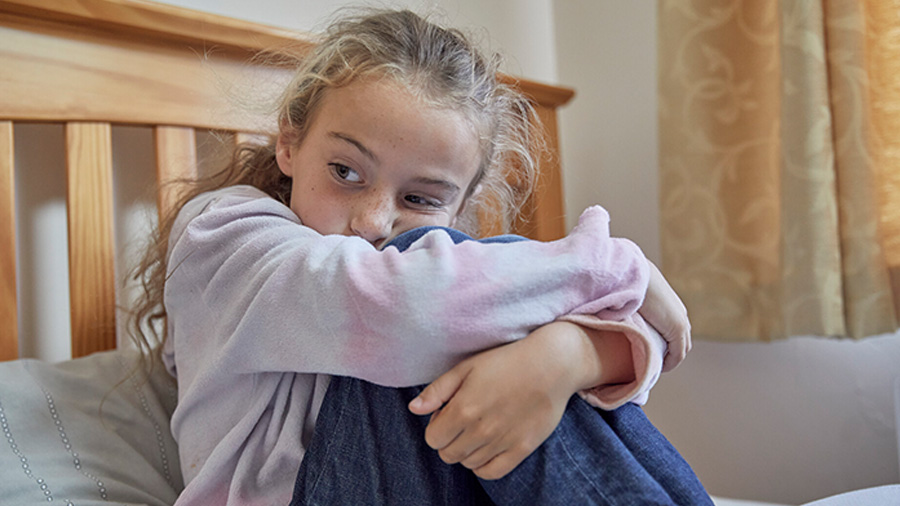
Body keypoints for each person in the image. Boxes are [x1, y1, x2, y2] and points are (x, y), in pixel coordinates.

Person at [130, 8, 709, 505]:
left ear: (461, 204)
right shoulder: (221, 235)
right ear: (289, 140)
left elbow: (658, 334)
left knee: (469, 289)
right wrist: (609, 270)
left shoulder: (459, 281)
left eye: (420, 198)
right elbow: (401, 308)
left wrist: (564, 358)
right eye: (345, 171)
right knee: (432, 280)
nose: (374, 222)